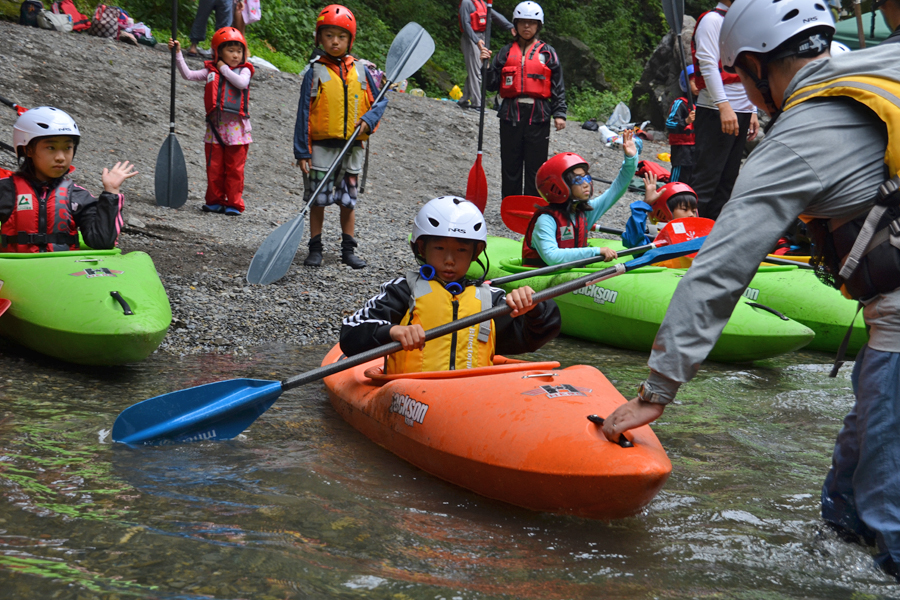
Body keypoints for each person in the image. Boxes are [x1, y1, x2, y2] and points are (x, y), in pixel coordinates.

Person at [600, 0, 900, 577]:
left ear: (758, 69)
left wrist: (656, 390)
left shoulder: (796, 139)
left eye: (737, 73)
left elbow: (719, 268)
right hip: (883, 337)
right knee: (845, 502)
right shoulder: (883, 65)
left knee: (888, 514)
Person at [340, 196, 561, 372]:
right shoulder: (402, 291)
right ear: (421, 249)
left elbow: (536, 335)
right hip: (411, 393)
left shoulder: (491, 300)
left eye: (461, 250)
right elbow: (350, 335)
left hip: (471, 396)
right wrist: (392, 331)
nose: (449, 260)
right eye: (439, 248)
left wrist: (535, 307)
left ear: (476, 253)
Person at [293, 4, 387, 269]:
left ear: (350, 40)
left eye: (341, 37)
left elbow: (380, 102)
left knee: (348, 201)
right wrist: (302, 151)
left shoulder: (363, 71)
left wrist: (368, 121)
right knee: (318, 201)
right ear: (319, 38)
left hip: (353, 146)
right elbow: (303, 112)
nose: (335, 41)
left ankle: (348, 249)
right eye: (329, 36)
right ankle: (315, 248)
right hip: (322, 147)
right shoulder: (313, 72)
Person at [0, 107, 133, 252]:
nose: (61, 157)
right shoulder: (5, 190)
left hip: (62, 270)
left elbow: (102, 242)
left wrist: (111, 193)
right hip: (15, 270)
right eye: (51, 147)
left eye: (68, 148)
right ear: (28, 150)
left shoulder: (78, 196)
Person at [480, 1, 566, 200]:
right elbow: (491, 84)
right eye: (523, 22)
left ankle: (531, 205)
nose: (527, 26)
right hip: (511, 113)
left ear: (538, 26)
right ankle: (509, 203)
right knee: (511, 163)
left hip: (538, 115)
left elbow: (557, 85)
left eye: (531, 22)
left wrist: (559, 113)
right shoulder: (505, 52)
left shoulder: (547, 52)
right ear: (516, 25)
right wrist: (484, 65)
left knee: (536, 165)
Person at [169, 27, 254, 215]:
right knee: (214, 169)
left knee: (234, 171)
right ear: (218, 52)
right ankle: (214, 200)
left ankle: (233, 204)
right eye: (230, 50)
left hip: (237, 134)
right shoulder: (210, 71)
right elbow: (188, 75)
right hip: (215, 131)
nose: (235, 55)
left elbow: (241, 84)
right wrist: (177, 54)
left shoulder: (244, 71)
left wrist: (223, 68)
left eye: (239, 51)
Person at [522, 131, 639, 267]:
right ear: (559, 186)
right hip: (539, 280)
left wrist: (630, 160)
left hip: (571, 277)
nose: (586, 183)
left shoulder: (583, 214)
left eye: (586, 177)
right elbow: (552, 257)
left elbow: (617, 189)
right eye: (578, 179)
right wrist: (596, 251)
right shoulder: (546, 220)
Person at [690, 0, 759, 220]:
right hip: (716, 109)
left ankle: (713, 235)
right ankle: (691, 238)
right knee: (707, 179)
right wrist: (723, 106)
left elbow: (751, 69)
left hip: (742, 109)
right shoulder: (712, 20)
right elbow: (708, 64)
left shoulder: (743, 22)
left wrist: (753, 109)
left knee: (728, 181)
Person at [457, 0, 514, 111]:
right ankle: (477, 103)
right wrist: (476, 40)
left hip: (481, 37)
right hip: (471, 39)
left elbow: (495, 16)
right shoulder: (466, 3)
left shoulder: (481, 3)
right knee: (476, 71)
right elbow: (466, 24)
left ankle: (464, 100)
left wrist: (511, 26)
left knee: (476, 69)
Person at [621, 175, 699, 249]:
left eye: (694, 211)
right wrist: (645, 204)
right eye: (684, 209)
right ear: (664, 212)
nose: (691, 214)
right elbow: (634, 243)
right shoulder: (655, 237)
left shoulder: (699, 235)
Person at [666, 65, 697, 186]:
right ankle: (671, 195)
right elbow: (670, 124)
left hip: (696, 147)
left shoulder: (702, 104)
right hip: (682, 149)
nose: (698, 86)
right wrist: (686, 121)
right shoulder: (680, 103)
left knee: (693, 177)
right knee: (679, 177)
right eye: (695, 82)